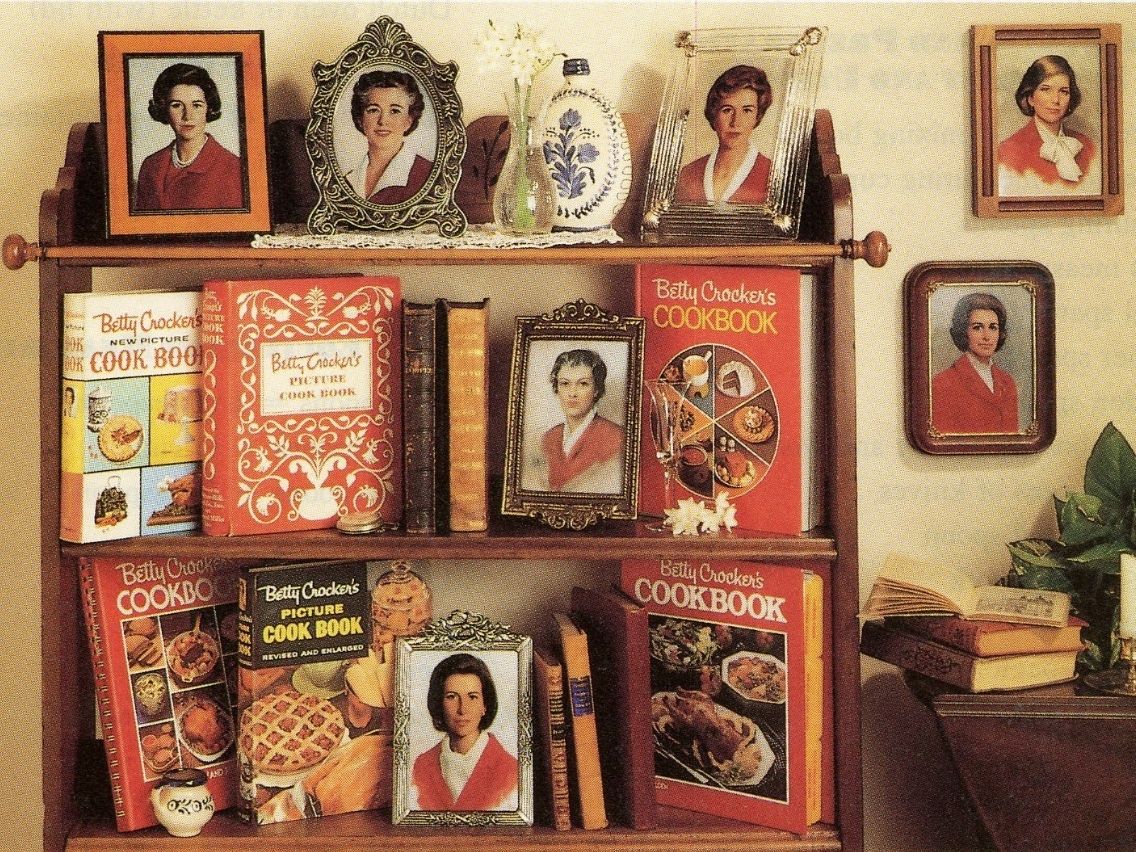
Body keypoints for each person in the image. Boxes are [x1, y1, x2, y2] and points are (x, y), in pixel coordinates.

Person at [411, 653, 518, 812]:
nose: (462, 709)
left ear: (485, 706)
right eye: (452, 697)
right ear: (439, 703)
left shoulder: (510, 770)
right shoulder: (422, 766)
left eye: (472, 697)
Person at [134, 63, 243, 211]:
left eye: (197, 105)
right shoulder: (151, 165)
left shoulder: (233, 168)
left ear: (208, 109)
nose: (188, 116)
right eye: (177, 105)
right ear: (164, 108)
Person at [675, 65, 773, 206]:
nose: (735, 122)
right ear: (714, 114)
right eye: (727, 110)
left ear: (757, 117)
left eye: (747, 110)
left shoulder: (771, 175)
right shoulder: (689, 174)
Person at [998, 55, 1096, 195]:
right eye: (1046, 89)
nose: (1056, 100)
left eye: (1063, 91)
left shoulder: (1088, 146)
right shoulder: (1007, 152)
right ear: (1030, 97)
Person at [537, 348, 624, 493]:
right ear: (556, 388)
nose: (572, 393)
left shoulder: (616, 438)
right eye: (565, 384)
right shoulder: (549, 438)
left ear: (596, 389)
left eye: (583, 384)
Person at [931, 292, 1019, 434]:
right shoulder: (942, 383)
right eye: (977, 327)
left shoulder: (1007, 382)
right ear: (963, 331)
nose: (986, 336)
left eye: (993, 327)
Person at [344, 69, 432, 204]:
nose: (383, 121)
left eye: (395, 111)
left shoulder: (427, 174)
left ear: (409, 121)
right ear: (361, 119)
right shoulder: (348, 180)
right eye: (373, 110)